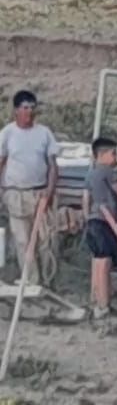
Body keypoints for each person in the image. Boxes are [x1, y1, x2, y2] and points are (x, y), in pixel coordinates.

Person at [0, 91, 61, 287]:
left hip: (39, 193)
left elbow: (52, 165)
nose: (29, 112)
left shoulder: (44, 133)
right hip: (15, 192)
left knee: (46, 240)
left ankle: (48, 281)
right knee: (22, 240)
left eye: (32, 108)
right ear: (16, 110)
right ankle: (30, 280)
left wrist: (49, 190)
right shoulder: (7, 133)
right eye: (25, 108)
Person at [84, 137, 117, 319]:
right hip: (105, 220)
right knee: (104, 262)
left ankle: (96, 300)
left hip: (93, 221)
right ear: (102, 155)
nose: (116, 157)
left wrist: (87, 217)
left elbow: (85, 198)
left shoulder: (90, 173)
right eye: (113, 153)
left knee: (97, 260)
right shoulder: (107, 171)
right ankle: (104, 304)